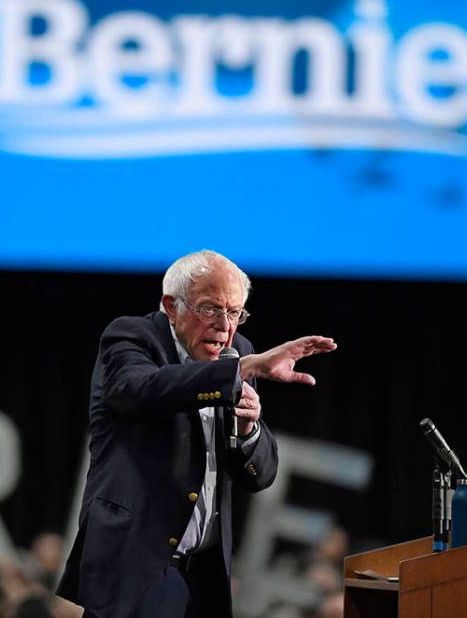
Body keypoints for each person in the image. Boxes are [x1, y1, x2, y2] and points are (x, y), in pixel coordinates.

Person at [56, 250, 336, 618]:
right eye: (210, 309)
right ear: (171, 306)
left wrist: (249, 428)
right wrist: (241, 370)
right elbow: (144, 388)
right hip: (138, 568)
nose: (225, 326)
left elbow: (261, 475)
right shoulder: (131, 337)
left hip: (204, 575)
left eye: (234, 312)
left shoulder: (236, 354)